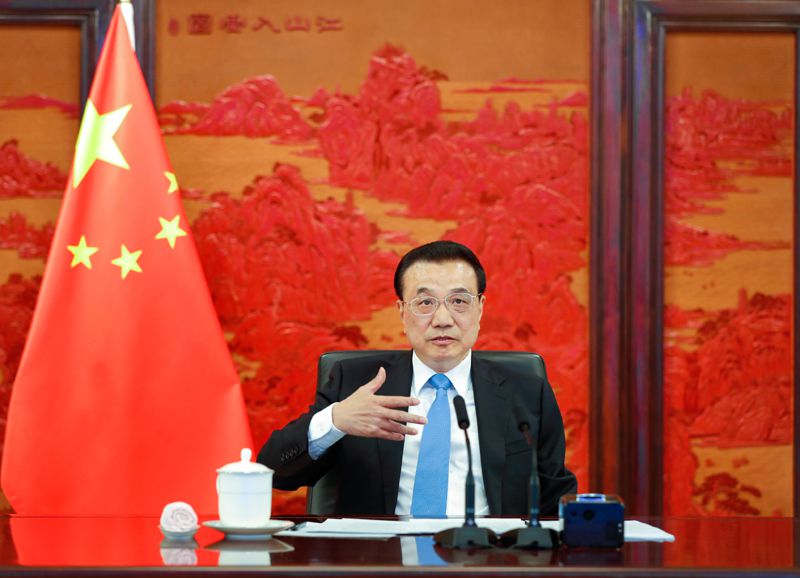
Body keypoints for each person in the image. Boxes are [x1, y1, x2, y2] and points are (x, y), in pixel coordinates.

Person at [258, 240, 576, 516]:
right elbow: (275, 471)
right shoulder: (355, 382)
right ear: (402, 311)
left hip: (489, 555)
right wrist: (336, 420)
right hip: (380, 557)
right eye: (425, 303)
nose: (442, 319)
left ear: (480, 308)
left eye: (459, 302)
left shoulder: (526, 391)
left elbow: (556, 497)